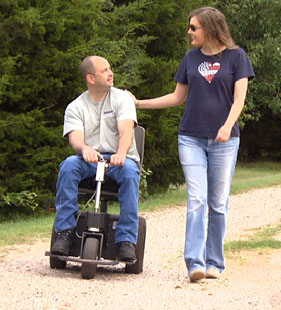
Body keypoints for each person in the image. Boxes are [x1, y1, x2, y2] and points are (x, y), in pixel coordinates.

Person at [130, 7, 254, 281]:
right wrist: (138, 103)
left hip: (225, 140)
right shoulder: (190, 58)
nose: (189, 32)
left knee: (218, 203)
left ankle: (215, 264)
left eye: (193, 27)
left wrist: (225, 125)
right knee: (197, 199)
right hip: (191, 137)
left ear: (209, 28)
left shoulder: (237, 57)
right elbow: (177, 97)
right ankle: (195, 264)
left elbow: (239, 99)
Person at [51, 56, 140, 263]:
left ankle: (126, 241)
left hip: (119, 159)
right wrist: (84, 149)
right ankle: (64, 233)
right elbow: (75, 138)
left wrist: (121, 153)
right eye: (105, 71)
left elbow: (126, 131)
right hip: (90, 159)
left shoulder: (122, 99)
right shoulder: (76, 106)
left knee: (128, 172)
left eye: (110, 69)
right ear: (90, 78)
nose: (111, 73)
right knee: (69, 166)